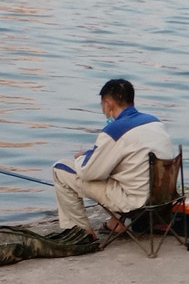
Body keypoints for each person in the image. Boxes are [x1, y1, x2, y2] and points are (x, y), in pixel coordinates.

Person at [52, 78, 177, 236]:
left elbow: (88, 173)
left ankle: (81, 233)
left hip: (134, 203)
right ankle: (115, 223)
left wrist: (81, 157)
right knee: (125, 169)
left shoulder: (115, 130)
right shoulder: (155, 123)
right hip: (163, 199)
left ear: (108, 104)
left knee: (60, 169)